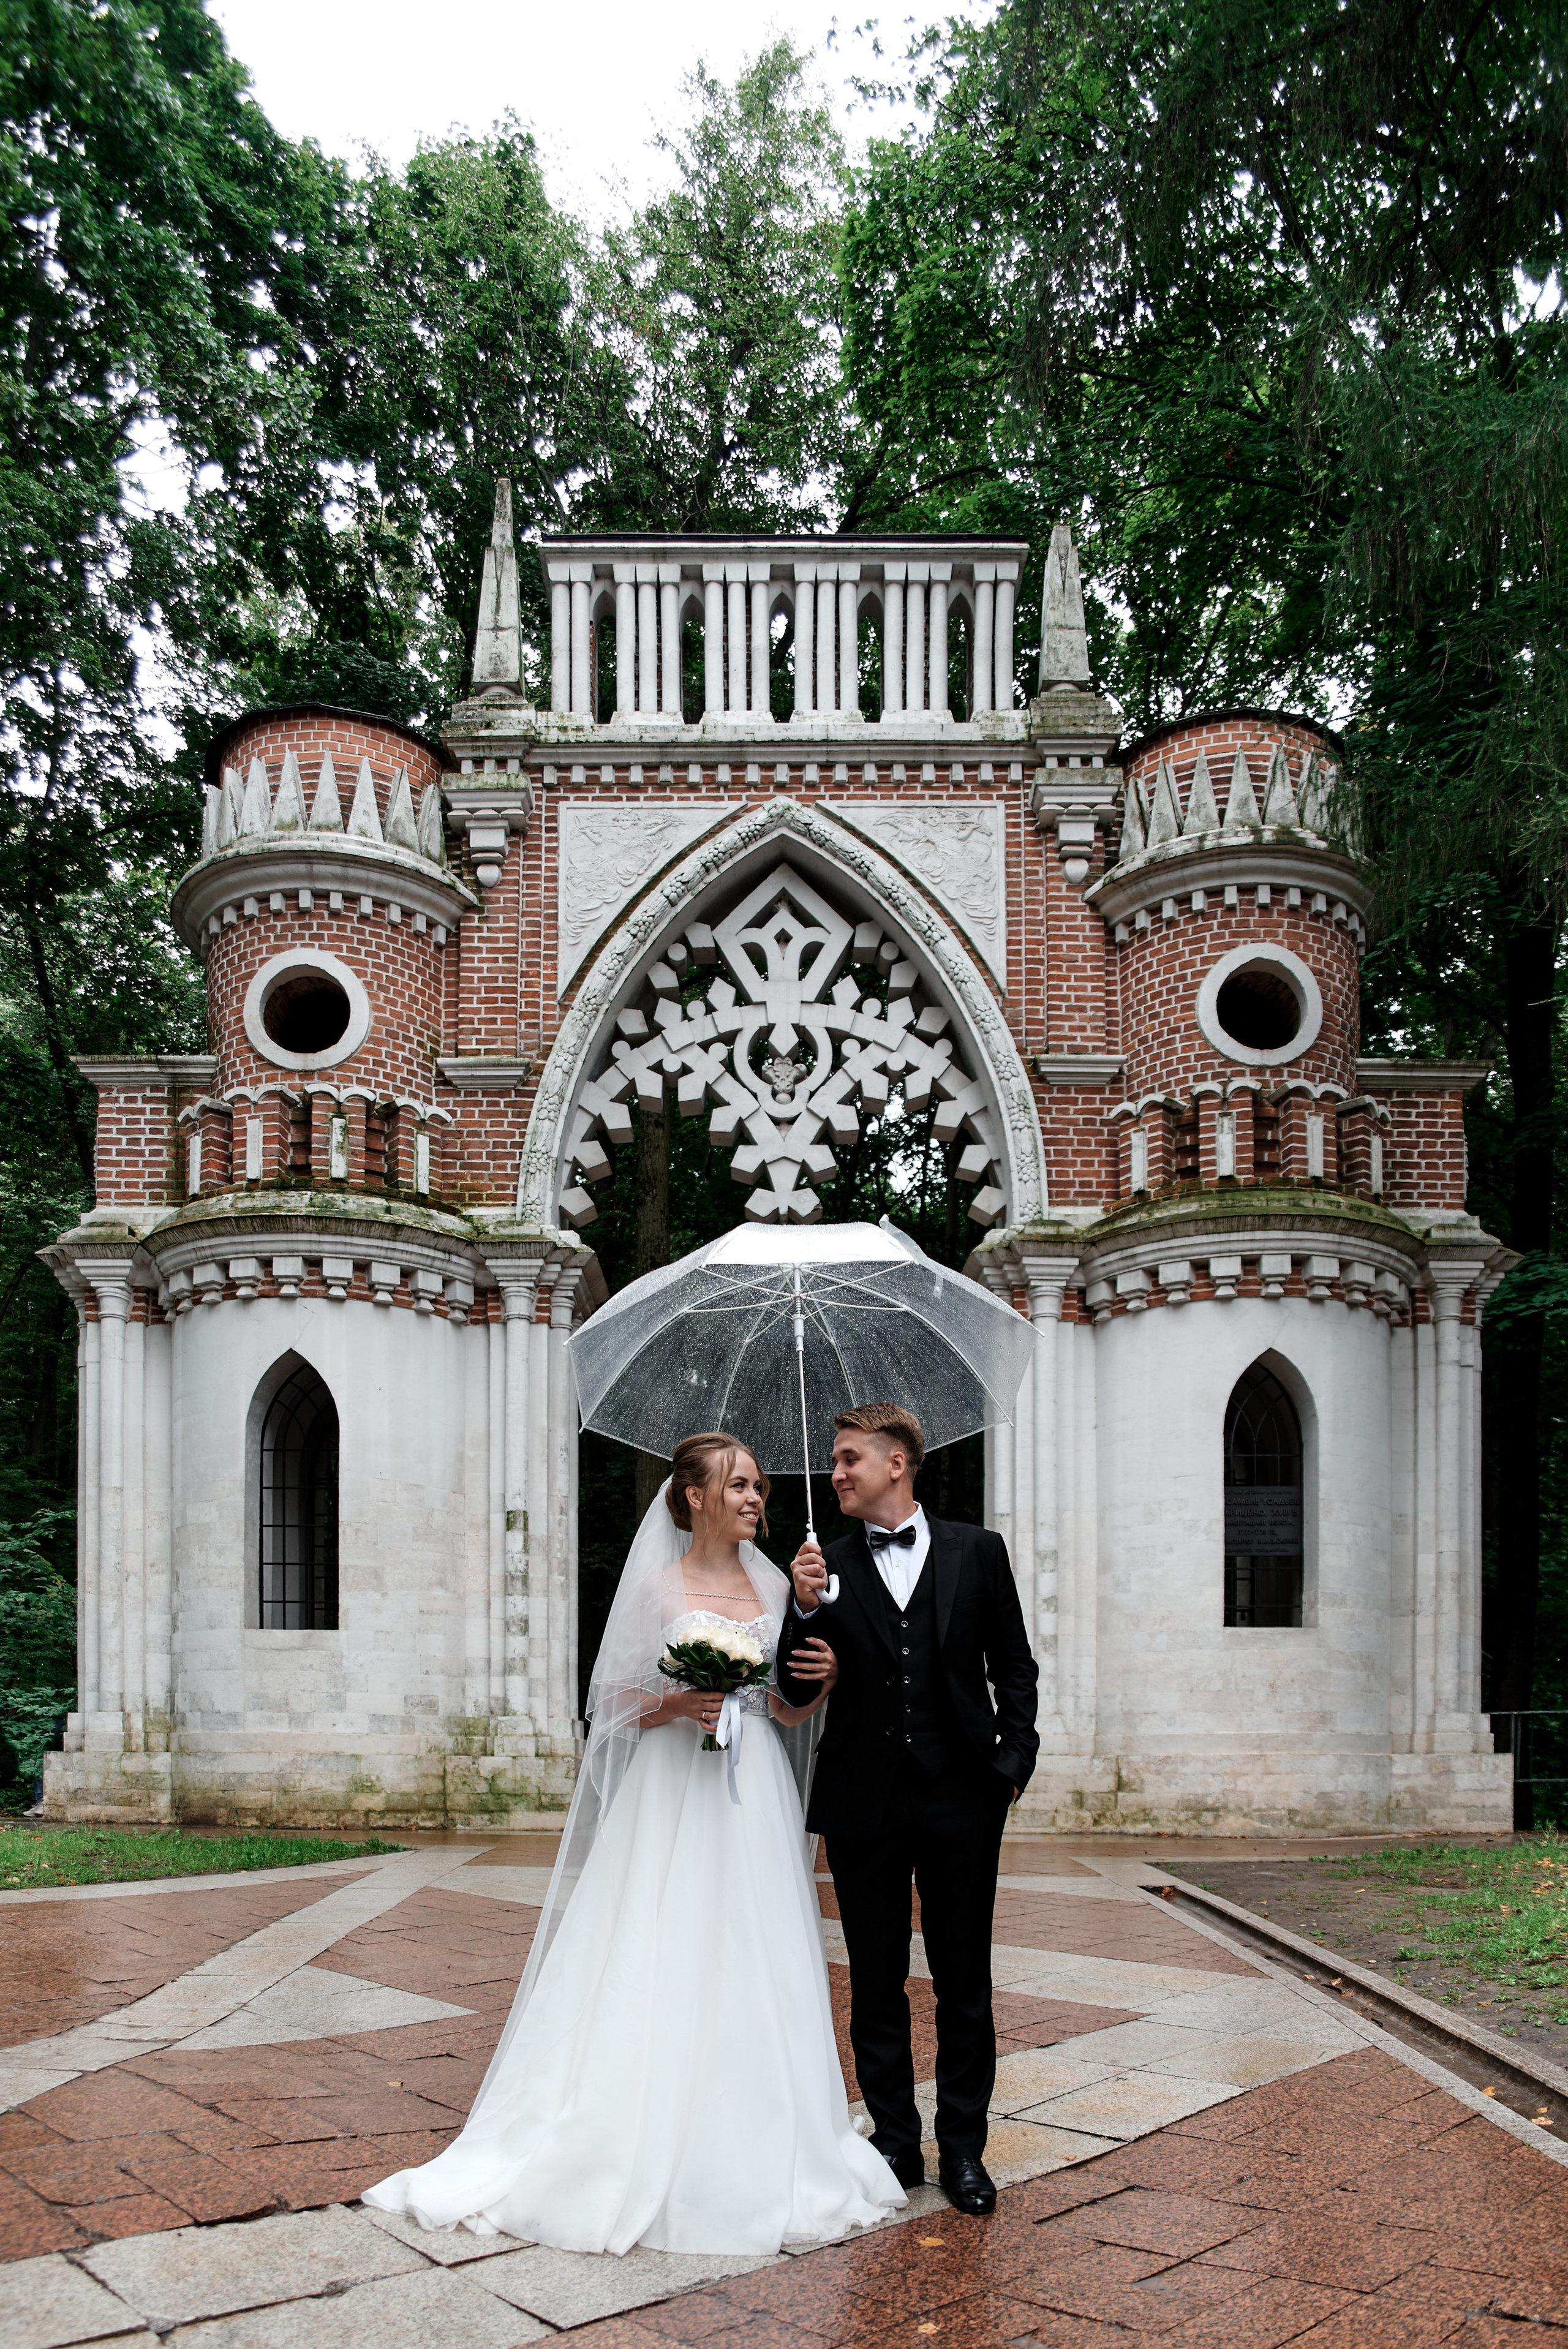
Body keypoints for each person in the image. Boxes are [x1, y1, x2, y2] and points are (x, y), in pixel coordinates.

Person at [363, 1431, 903, 2255]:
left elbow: (778, 1710)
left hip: (749, 1784)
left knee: (754, 1945)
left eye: (759, 1486)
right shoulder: (657, 1589)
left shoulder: (775, 1584)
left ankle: (764, 2126)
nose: (756, 1498)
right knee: (660, 1936)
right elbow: (611, 1703)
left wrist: (814, 1688)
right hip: (670, 1784)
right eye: (738, 1485)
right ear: (693, 1498)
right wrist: (673, 1707)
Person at [775, 1403, 1039, 2217]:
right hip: (864, 1801)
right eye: (836, 1460)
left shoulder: (978, 1552)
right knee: (876, 1981)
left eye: (851, 1458)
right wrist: (805, 1606)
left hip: (964, 1797)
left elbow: (1015, 1669)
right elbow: (789, 1690)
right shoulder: (827, 1567)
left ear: (898, 1464)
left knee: (966, 1983)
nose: (837, 1473)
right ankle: (896, 2141)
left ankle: (964, 2151)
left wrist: (1010, 1767)